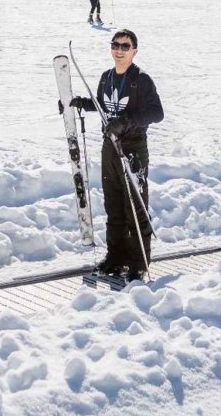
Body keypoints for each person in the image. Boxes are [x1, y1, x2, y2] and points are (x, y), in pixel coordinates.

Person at [63, 29, 163, 280]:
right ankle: (115, 259)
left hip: (133, 149)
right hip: (110, 148)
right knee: (114, 206)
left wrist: (126, 122)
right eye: (115, 45)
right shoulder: (107, 77)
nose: (119, 50)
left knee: (134, 207)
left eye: (125, 46)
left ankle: (138, 263)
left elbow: (156, 113)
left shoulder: (141, 80)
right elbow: (100, 104)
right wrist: (77, 103)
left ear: (134, 51)